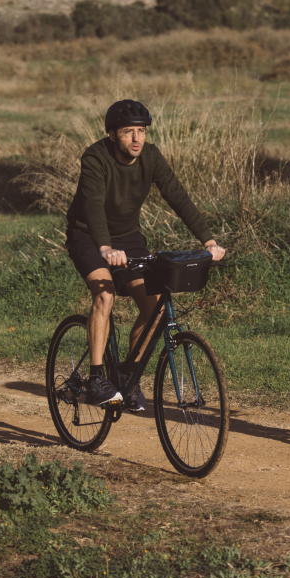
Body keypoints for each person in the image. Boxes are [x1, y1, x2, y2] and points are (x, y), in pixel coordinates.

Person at [64, 99, 226, 410]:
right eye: (128, 132)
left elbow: (177, 195)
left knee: (156, 309)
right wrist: (105, 248)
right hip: (87, 235)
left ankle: (127, 375)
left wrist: (208, 241)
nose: (137, 139)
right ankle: (97, 378)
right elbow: (94, 205)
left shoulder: (150, 157)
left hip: (128, 238)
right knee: (105, 294)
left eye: (142, 131)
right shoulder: (96, 157)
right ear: (113, 135)